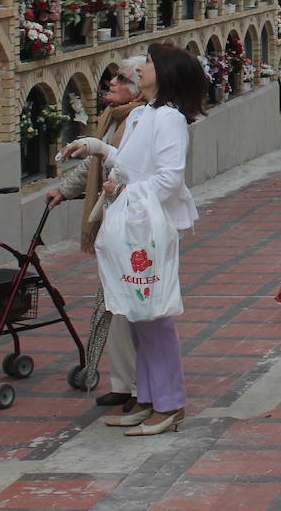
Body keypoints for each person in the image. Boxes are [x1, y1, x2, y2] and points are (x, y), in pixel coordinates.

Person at [62, 43, 206, 436]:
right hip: (134, 223)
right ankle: (147, 398)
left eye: (149, 63)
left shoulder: (170, 119)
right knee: (137, 314)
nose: (141, 68)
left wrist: (129, 196)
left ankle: (170, 404)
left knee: (154, 315)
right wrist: (97, 148)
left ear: (167, 73)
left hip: (150, 227)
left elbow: (169, 177)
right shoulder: (145, 113)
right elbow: (133, 165)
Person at [46, 56, 146, 409]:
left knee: (132, 307)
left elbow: (132, 167)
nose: (111, 85)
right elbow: (94, 163)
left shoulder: (141, 120)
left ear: (137, 87)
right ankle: (121, 381)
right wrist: (64, 189)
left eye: (119, 79)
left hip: (134, 225)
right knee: (114, 307)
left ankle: (140, 387)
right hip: (111, 224)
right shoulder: (113, 119)